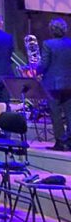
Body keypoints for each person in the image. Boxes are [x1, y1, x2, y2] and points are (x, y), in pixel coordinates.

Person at [39, 18, 71, 151]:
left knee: (55, 113)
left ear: (51, 30)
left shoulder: (48, 44)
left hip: (53, 85)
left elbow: (44, 64)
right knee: (69, 112)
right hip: (69, 84)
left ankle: (60, 142)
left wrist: (36, 69)